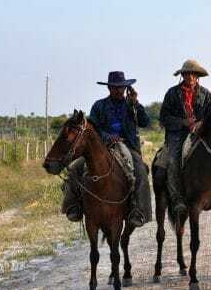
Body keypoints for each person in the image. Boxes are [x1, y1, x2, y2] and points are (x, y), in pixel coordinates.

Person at [62, 71, 152, 227]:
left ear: (126, 88)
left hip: (128, 147)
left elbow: (145, 122)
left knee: (141, 170)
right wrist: (107, 136)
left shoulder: (132, 105)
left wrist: (135, 103)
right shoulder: (99, 106)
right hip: (102, 147)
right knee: (75, 168)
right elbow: (93, 128)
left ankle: (139, 210)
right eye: (115, 87)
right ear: (109, 88)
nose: (119, 90)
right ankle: (73, 206)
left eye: (122, 87)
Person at [159, 59, 211, 217]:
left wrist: (202, 123)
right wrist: (184, 122)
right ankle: (177, 199)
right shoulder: (172, 93)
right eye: (187, 73)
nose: (190, 77)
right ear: (182, 75)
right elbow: (164, 118)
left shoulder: (205, 94)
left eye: (193, 74)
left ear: (197, 76)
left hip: (200, 133)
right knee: (174, 160)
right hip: (177, 135)